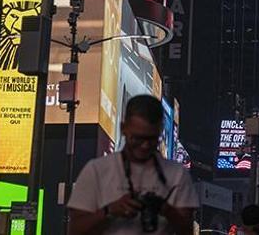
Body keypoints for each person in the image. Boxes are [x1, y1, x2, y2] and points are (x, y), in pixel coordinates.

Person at [68, 95, 198, 235]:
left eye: (152, 139)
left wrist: (166, 209)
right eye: (137, 138)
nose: (144, 145)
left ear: (160, 131)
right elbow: (74, 229)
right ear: (123, 128)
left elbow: (187, 230)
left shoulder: (177, 175)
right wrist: (110, 210)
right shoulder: (96, 171)